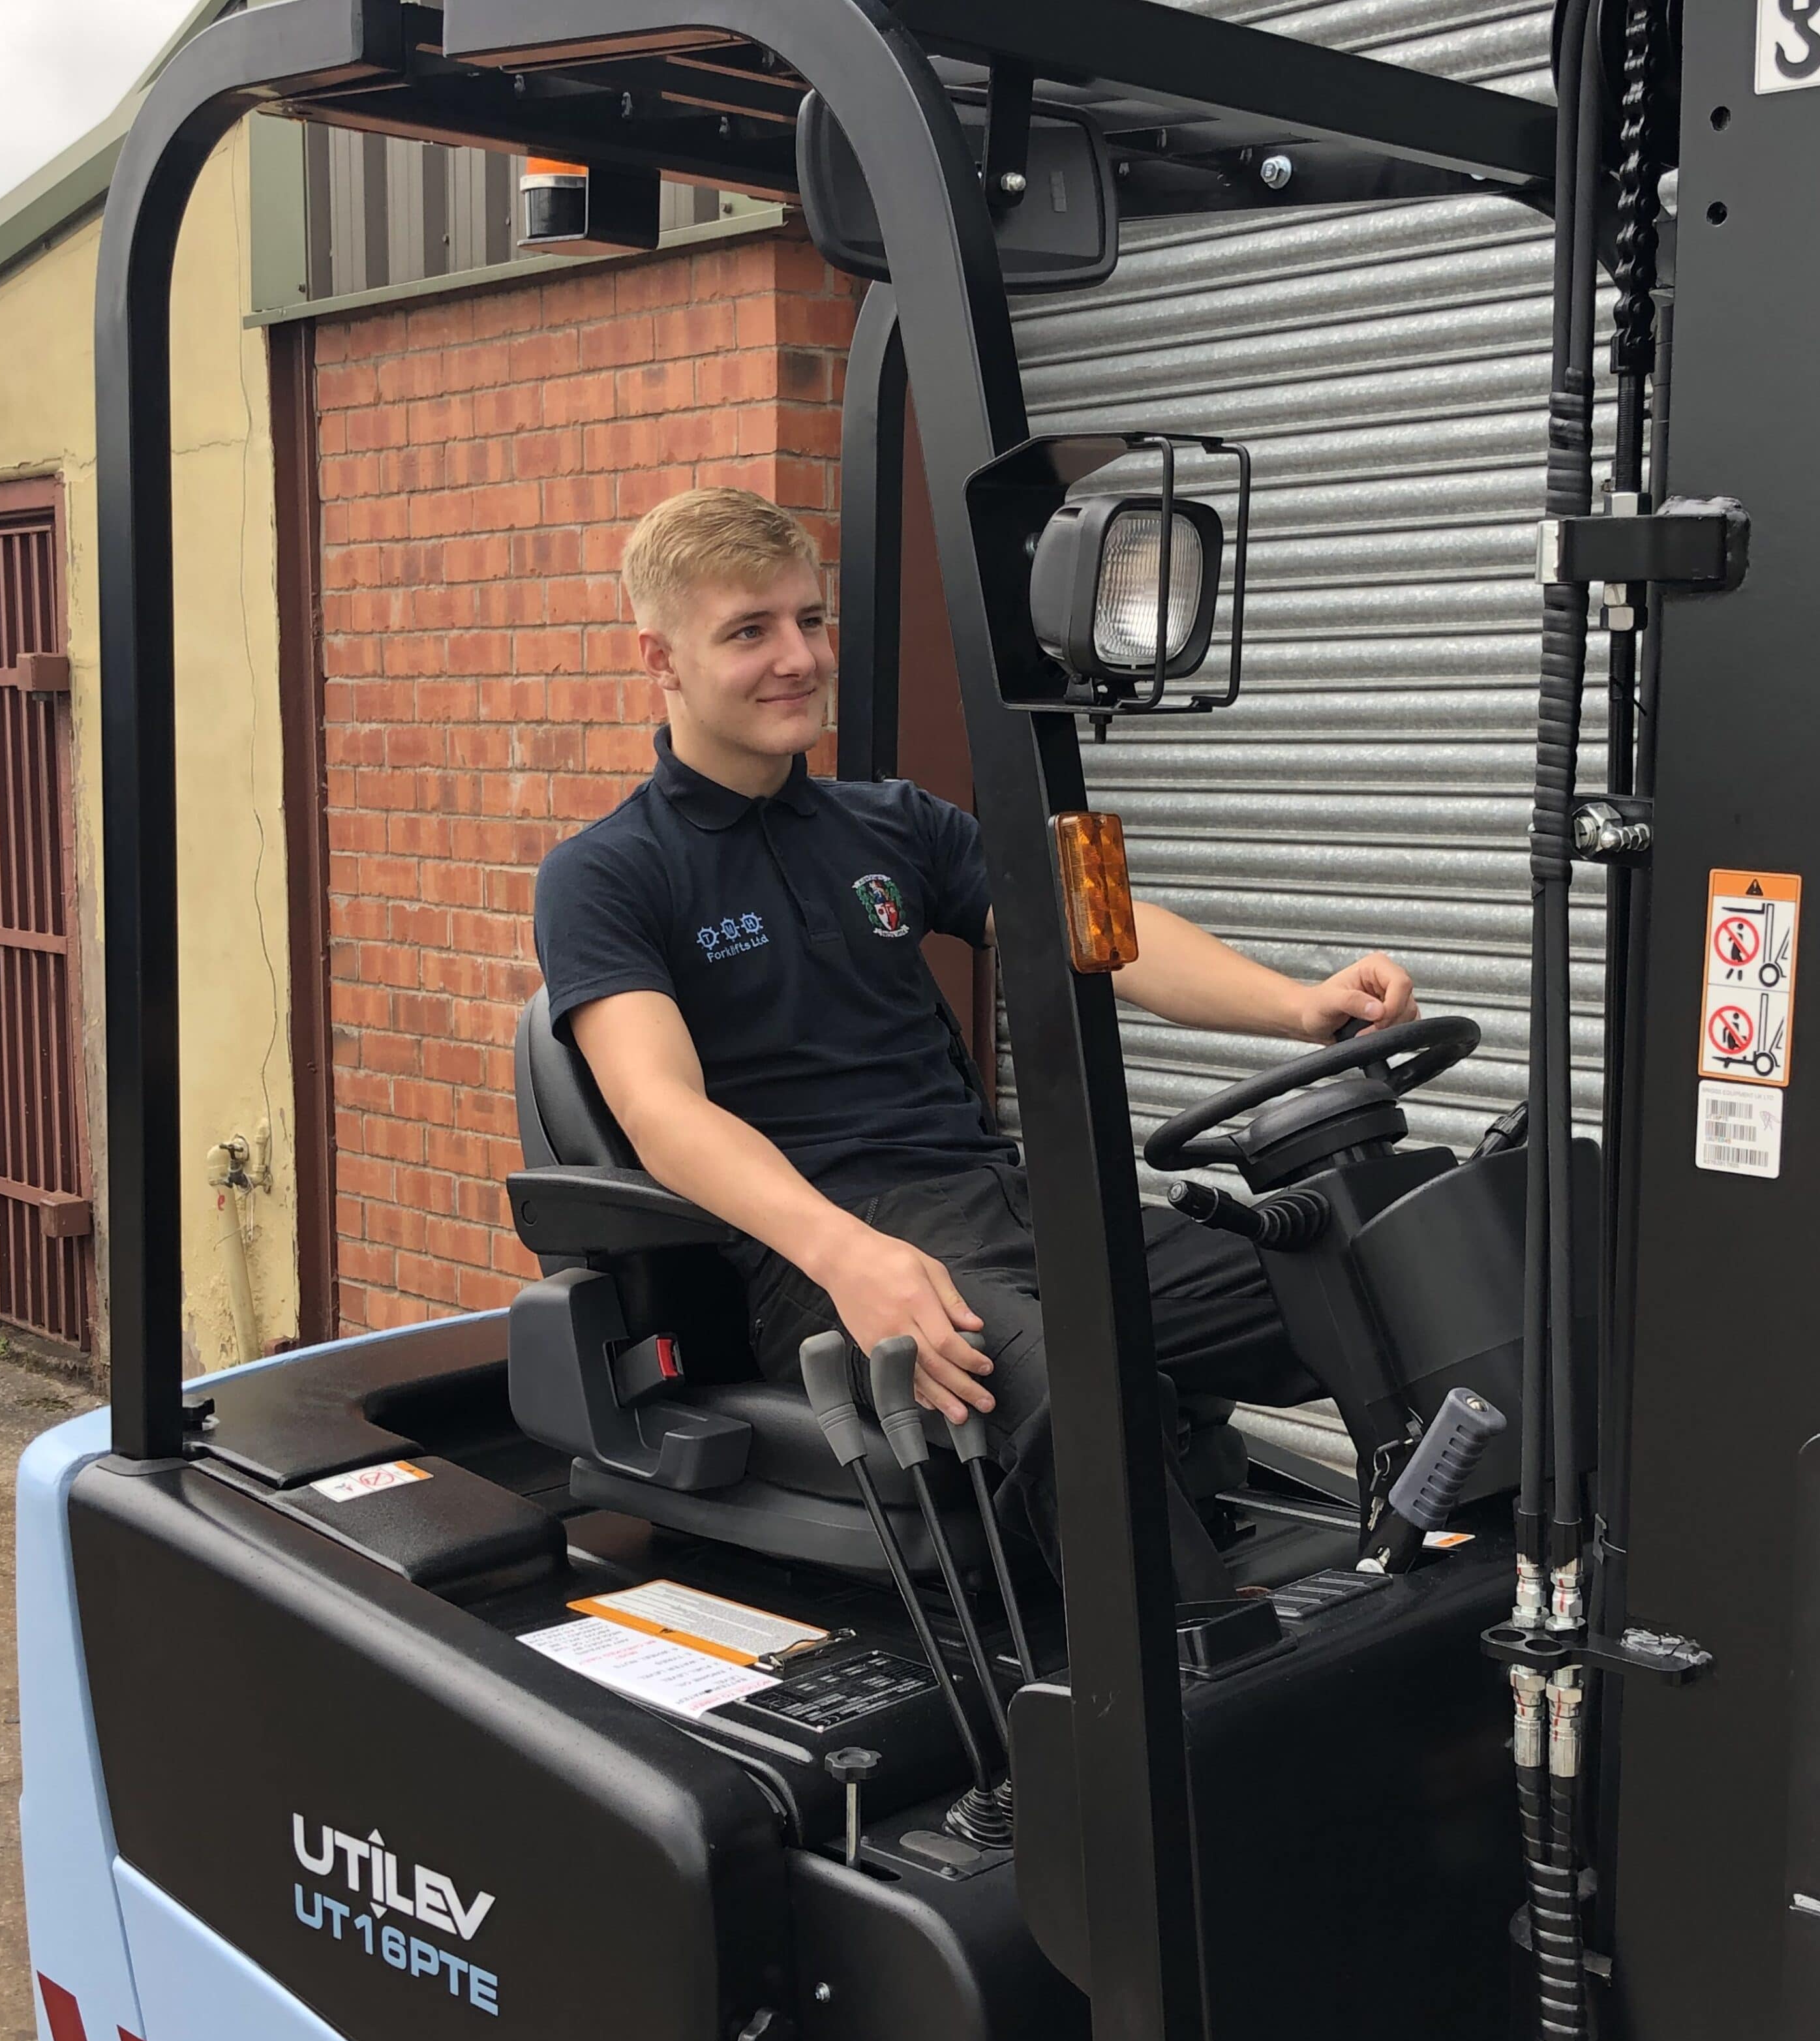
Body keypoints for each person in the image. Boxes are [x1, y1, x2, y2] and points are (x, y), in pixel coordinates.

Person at [533, 487, 1418, 1589]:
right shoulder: (604, 872)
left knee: (1382, 1290)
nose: (797, 658)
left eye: (809, 620)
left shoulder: (892, 821)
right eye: (748, 632)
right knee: (1083, 1395)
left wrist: (1300, 1005)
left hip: (1006, 1202)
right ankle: (1190, 1687)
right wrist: (846, 1258)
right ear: (661, 659)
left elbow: (1106, 929)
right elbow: (661, 1110)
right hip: (831, 1254)